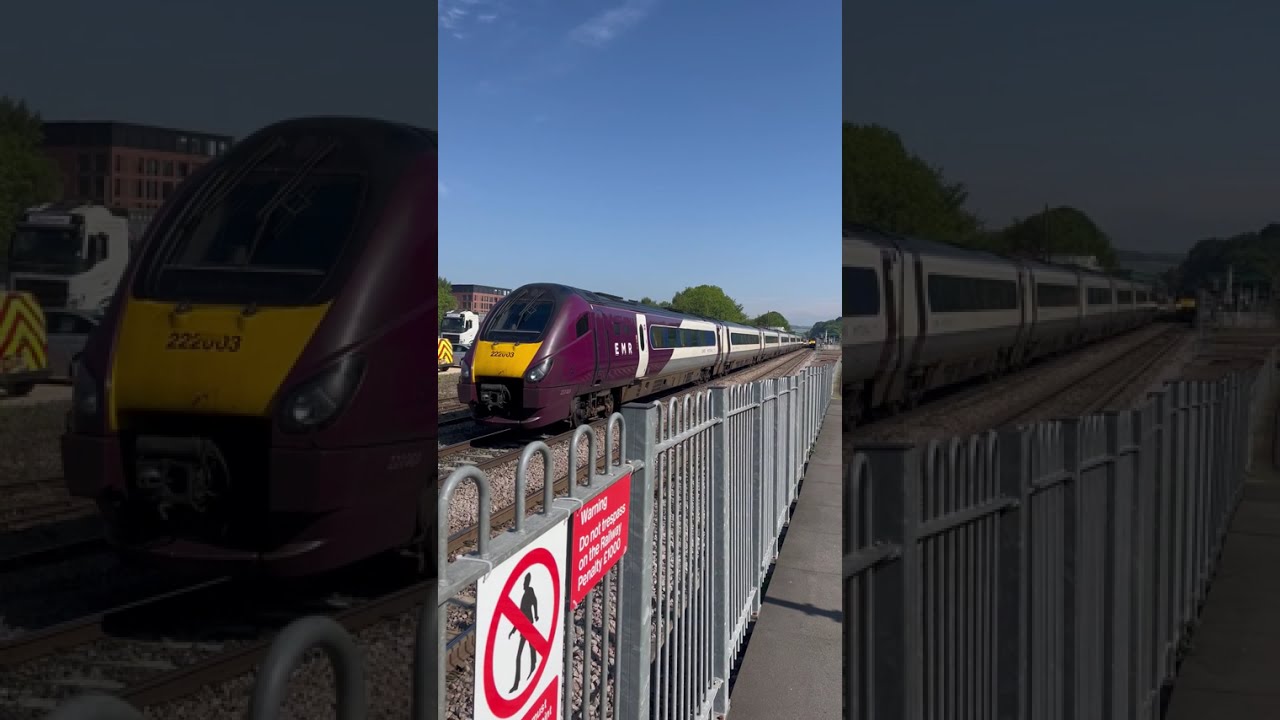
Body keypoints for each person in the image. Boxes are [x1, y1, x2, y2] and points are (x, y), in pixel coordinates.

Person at [508, 572, 540, 693]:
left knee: (523, 653)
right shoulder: (525, 593)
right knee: (524, 652)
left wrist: (536, 614)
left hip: (527, 625)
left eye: (525, 582)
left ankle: (533, 667)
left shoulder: (530, 591)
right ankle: (518, 682)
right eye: (524, 582)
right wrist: (513, 630)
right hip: (523, 625)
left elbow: (535, 602)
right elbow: (520, 614)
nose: (524, 584)